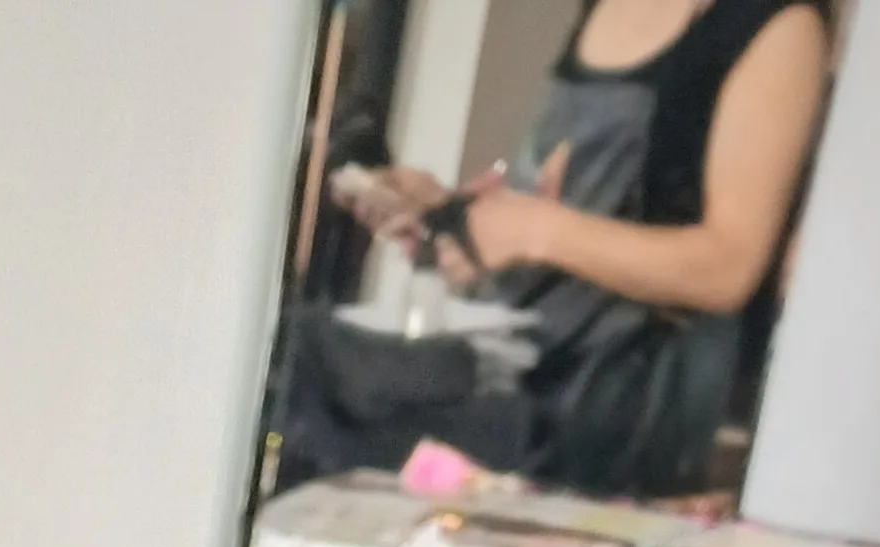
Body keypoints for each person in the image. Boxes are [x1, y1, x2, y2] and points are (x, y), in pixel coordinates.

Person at [301, 0, 831, 495]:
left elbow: (728, 268)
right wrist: (455, 220)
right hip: (526, 375)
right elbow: (565, 208)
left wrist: (536, 231)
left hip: (629, 413)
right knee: (307, 365)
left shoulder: (776, 26)